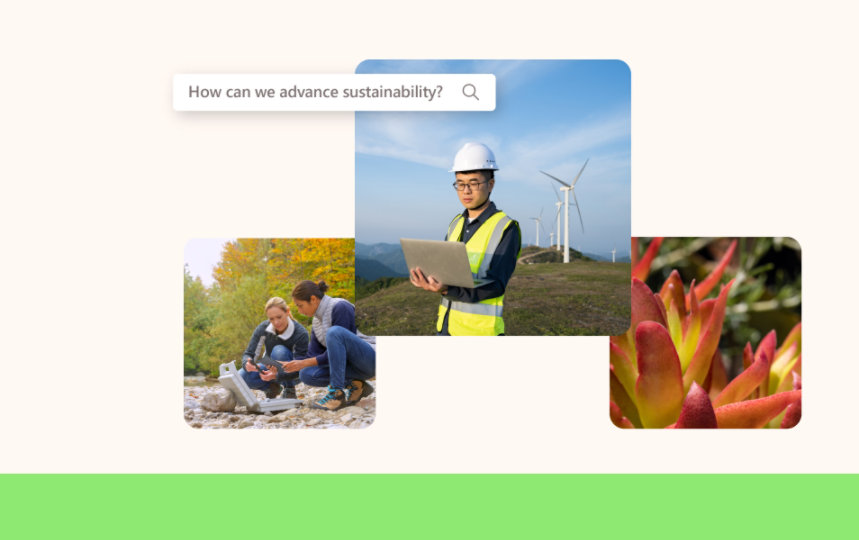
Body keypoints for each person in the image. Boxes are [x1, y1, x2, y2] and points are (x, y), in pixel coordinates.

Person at [409, 142, 521, 336]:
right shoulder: (455, 223)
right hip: (445, 328)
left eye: (474, 183)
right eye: (460, 184)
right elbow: (445, 268)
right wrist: (429, 277)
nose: (466, 190)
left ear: (491, 184)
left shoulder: (506, 228)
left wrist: (447, 289)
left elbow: (496, 285)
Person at [279, 280, 376, 411]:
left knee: (334, 332)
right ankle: (357, 385)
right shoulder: (316, 322)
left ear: (313, 299)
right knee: (307, 373)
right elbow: (313, 356)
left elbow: (344, 352)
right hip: (353, 367)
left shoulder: (340, 306)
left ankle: (336, 395)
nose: (299, 311)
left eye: (300, 306)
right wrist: (287, 367)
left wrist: (304, 362)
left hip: (371, 359)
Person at [238, 297, 309, 399]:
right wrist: (247, 363)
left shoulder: (300, 333)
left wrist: (276, 375)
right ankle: (271, 387)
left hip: (293, 374)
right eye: (271, 319)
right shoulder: (263, 328)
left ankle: (289, 389)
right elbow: (249, 353)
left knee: (279, 350)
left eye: (279, 317)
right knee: (242, 376)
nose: (276, 322)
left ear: (287, 311)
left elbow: (301, 368)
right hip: (268, 369)